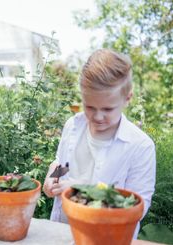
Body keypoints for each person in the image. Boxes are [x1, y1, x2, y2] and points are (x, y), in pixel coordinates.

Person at [42, 49, 156, 238]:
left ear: (127, 99)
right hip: (65, 232)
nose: (97, 116)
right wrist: (52, 176)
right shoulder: (73, 126)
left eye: (107, 109)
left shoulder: (140, 146)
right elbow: (63, 164)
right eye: (89, 107)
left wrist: (83, 188)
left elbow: (139, 207)